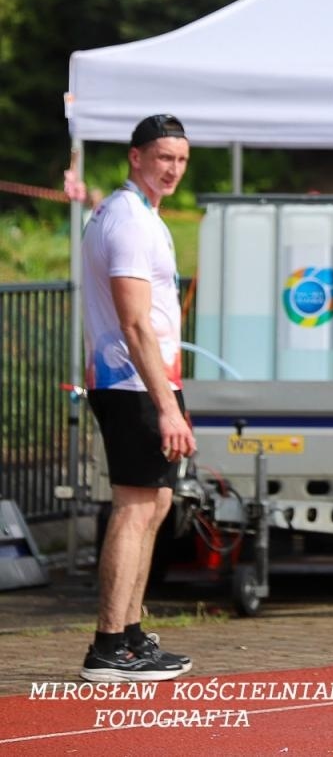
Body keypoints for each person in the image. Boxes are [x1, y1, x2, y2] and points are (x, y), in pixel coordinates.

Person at [79, 113, 197, 682]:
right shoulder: (128, 219)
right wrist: (167, 407)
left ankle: (129, 634)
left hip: (149, 381)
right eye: (163, 158)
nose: (173, 169)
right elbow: (134, 323)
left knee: (156, 504)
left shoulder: (144, 214)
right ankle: (107, 643)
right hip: (130, 382)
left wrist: (170, 396)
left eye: (181, 160)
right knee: (134, 506)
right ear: (136, 156)